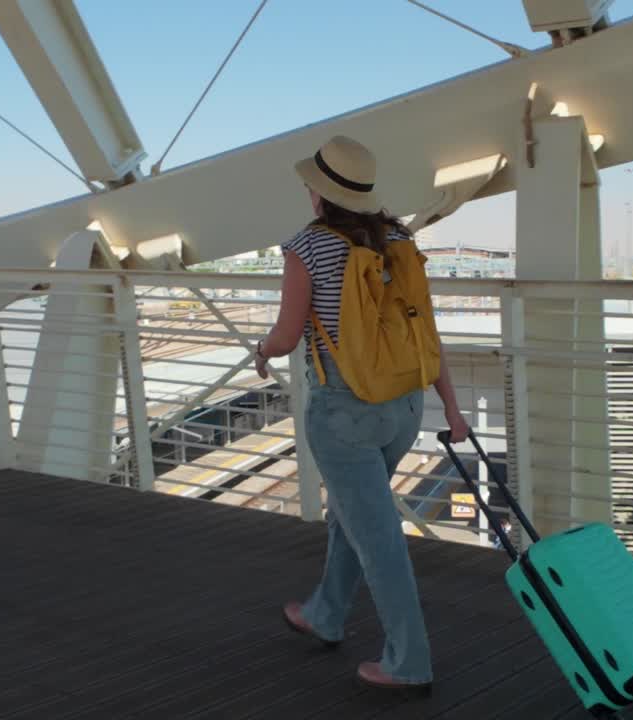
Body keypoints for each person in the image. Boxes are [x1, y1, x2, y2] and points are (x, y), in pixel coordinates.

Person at [252, 135, 470, 694]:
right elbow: (425, 330)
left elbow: (286, 334)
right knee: (353, 518)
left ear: (319, 192)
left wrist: (262, 351)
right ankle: (325, 611)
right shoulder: (398, 238)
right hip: (404, 406)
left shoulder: (308, 247)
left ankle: (409, 660)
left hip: (345, 412)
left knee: (379, 540)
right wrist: (450, 403)